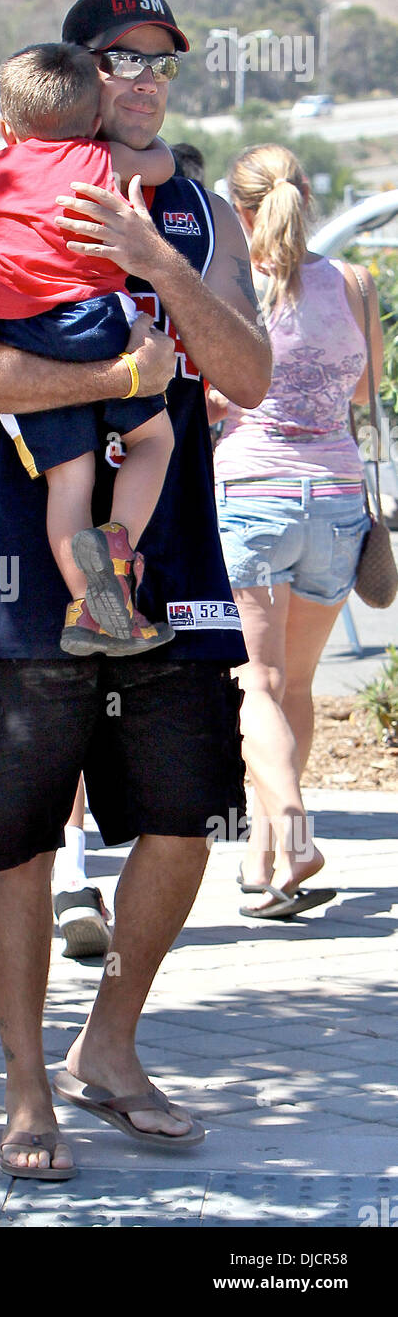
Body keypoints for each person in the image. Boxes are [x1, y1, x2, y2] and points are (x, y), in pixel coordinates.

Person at [0, 0, 272, 1177]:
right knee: (16, 840)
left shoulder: (195, 211)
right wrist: (109, 386)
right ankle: (25, 1089)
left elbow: (250, 374)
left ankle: (106, 1046)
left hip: (166, 564)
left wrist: (153, 265)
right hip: (14, 570)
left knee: (181, 819)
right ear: (71, 77)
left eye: (157, 63)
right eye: (115, 61)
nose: (140, 81)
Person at [0, 42, 176, 656]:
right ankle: (117, 540)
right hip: (96, 319)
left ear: (7, 126)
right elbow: (159, 163)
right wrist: (138, 151)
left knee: (70, 482)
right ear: (92, 120)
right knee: (155, 439)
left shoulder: (0, 167)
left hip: (25, 331)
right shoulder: (102, 157)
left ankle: (92, 611)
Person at [214, 143, 381, 919]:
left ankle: (296, 835)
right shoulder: (353, 282)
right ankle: (266, 865)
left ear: (239, 208)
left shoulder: (229, 286)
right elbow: (366, 394)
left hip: (252, 492)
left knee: (257, 685)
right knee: (298, 687)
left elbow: (213, 400)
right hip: (339, 498)